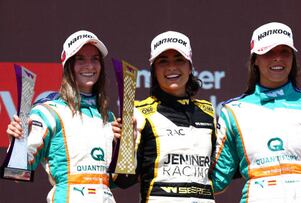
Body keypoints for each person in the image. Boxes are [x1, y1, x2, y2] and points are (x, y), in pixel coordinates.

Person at [210, 22, 301, 203]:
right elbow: (218, 178)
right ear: (255, 60)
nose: (278, 58)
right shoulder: (233, 111)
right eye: (268, 53)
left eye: (284, 52)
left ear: (293, 58)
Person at [6, 30, 118, 203]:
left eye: (95, 59)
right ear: (68, 65)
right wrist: (16, 143)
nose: (89, 65)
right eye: (80, 59)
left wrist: (127, 148)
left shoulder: (108, 117)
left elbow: (117, 180)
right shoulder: (48, 112)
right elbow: (17, 174)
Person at [114, 31, 217, 203]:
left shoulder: (208, 113)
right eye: (163, 61)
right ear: (154, 70)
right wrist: (126, 145)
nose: (171, 67)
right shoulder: (139, 113)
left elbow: (219, 173)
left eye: (179, 59)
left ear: (190, 66)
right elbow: (124, 181)